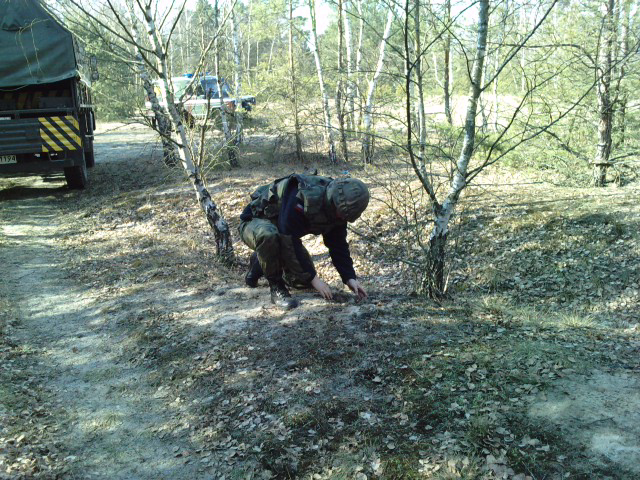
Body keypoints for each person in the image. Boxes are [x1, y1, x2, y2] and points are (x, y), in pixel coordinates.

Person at [238, 172, 370, 310]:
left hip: (282, 231)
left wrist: (350, 278)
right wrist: (315, 279)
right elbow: (288, 238)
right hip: (253, 223)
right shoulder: (302, 196)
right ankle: (276, 288)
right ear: (335, 201)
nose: (341, 218)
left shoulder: (338, 211)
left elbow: (338, 245)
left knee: (301, 282)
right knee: (269, 236)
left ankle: (259, 262)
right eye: (341, 213)